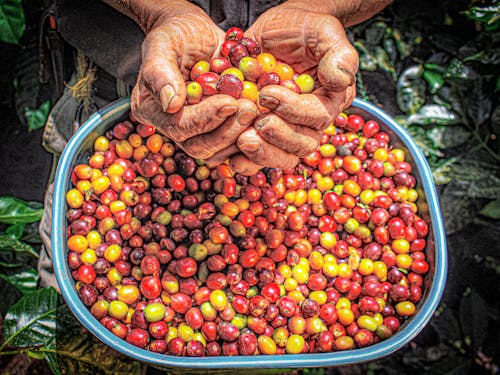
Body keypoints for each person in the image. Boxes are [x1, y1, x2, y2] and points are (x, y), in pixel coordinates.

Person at [38, 0, 392, 356]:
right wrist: (158, 11)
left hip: (302, 95)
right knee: (81, 343)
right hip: (123, 76)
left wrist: (322, 8)